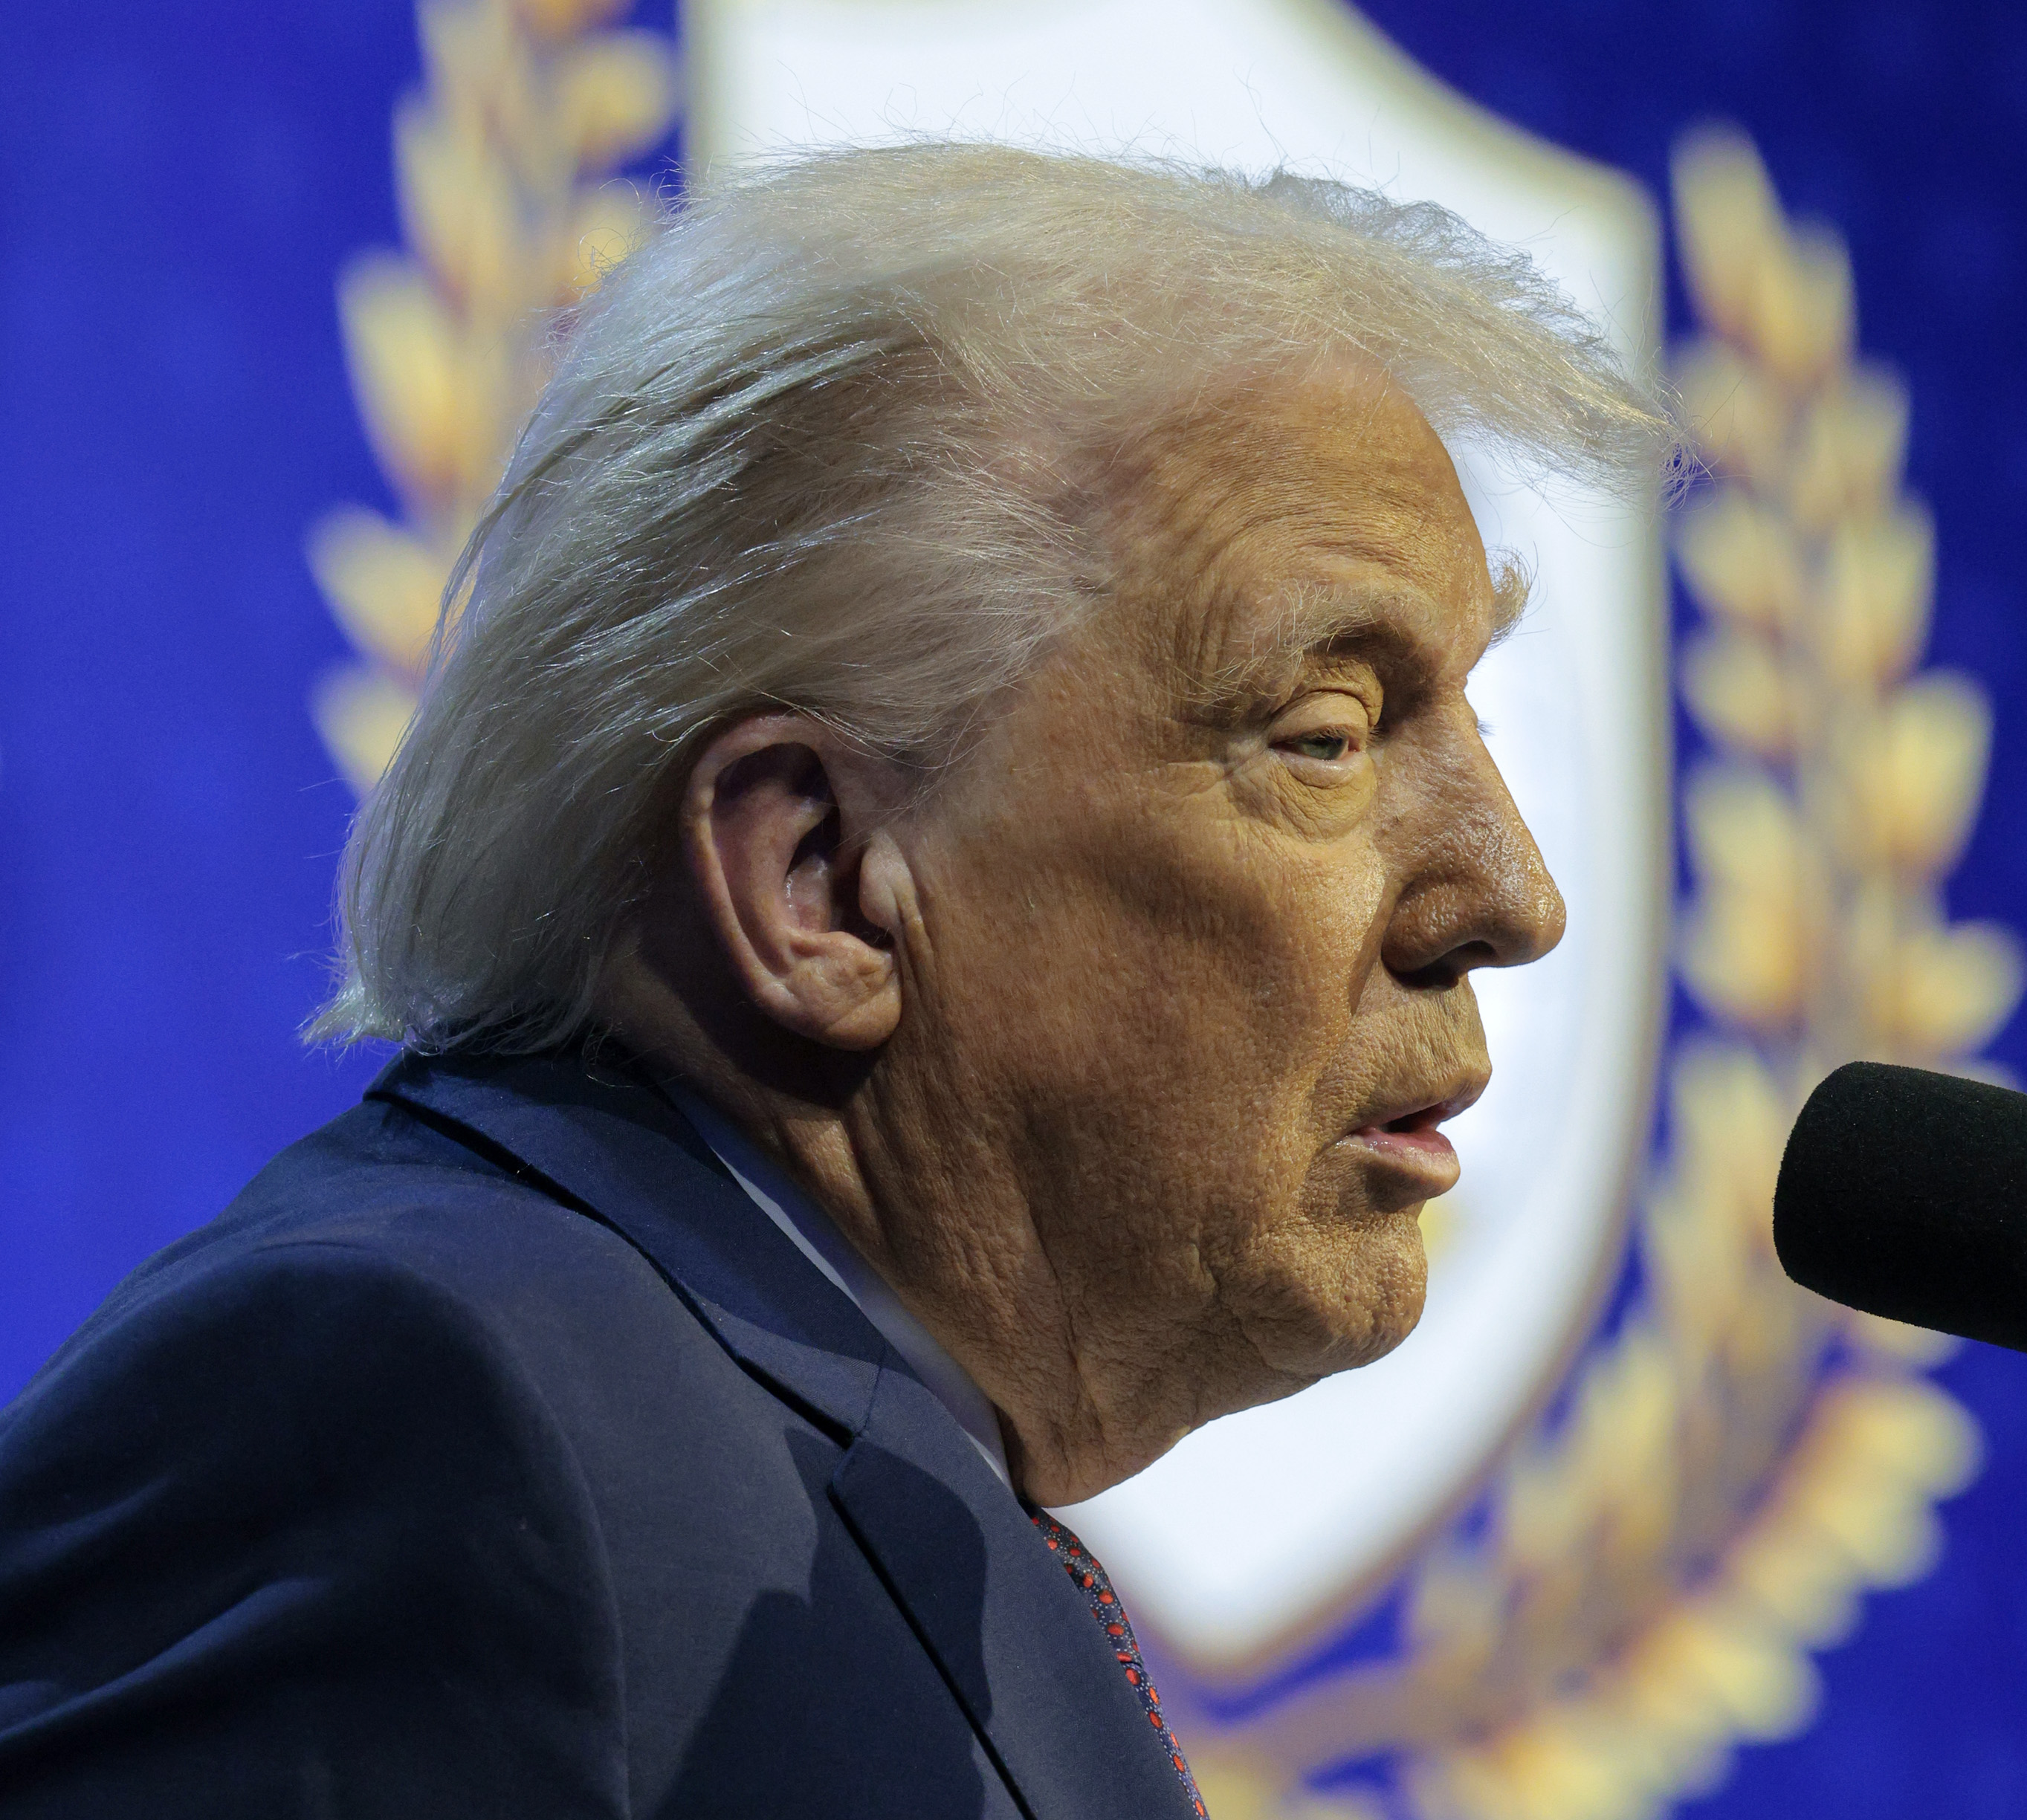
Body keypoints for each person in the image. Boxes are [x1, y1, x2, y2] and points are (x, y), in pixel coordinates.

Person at [0, 143, 1669, 1817]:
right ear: (817, 882)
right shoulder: (432, 1411)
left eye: (1473, 723)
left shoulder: (872, 1476)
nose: (1514, 898)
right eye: (1325, 736)